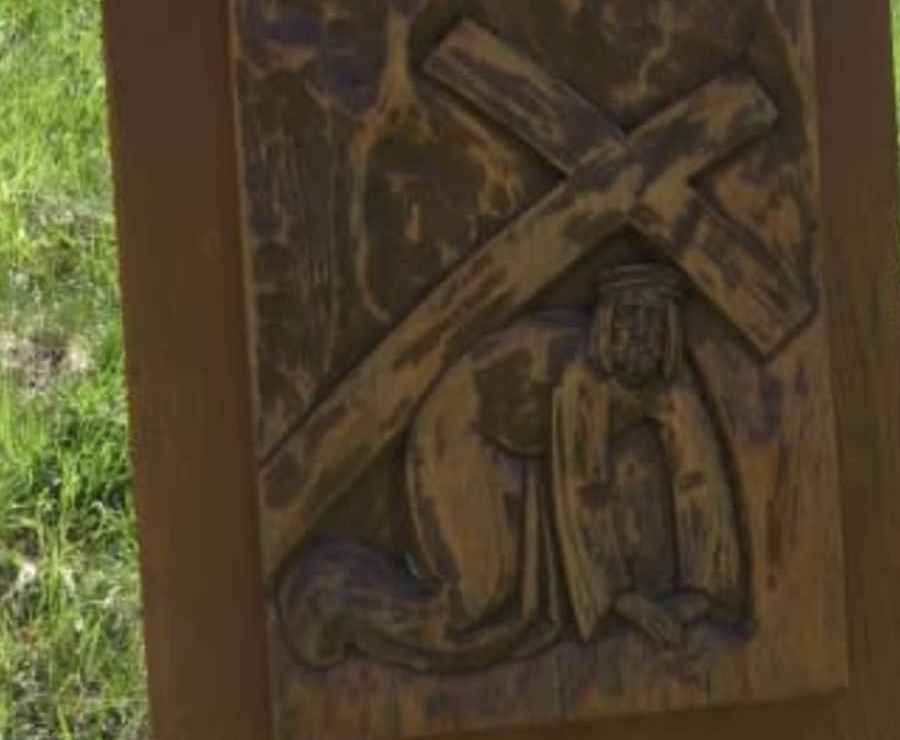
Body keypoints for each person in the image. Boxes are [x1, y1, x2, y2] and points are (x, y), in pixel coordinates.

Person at [279, 264, 745, 674]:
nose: (639, 335)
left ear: (669, 330)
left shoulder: (665, 374)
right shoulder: (584, 375)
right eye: (629, 319)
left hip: (527, 446)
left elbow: (698, 473)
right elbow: (584, 485)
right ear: (607, 323)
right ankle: (341, 598)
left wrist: (702, 592)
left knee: (521, 613)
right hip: (462, 430)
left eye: (652, 321)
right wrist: (621, 599)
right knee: (478, 600)